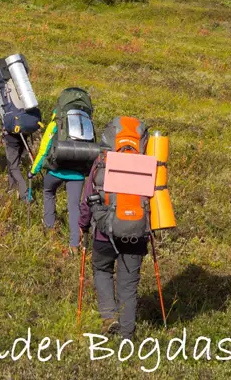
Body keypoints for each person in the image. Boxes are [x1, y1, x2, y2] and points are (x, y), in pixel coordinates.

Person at [79, 127, 149, 339]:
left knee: (102, 270)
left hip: (104, 233)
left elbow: (87, 198)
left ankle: (109, 317)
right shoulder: (147, 165)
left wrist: (83, 226)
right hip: (136, 234)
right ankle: (127, 336)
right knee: (128, 285)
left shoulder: (101, 161)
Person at [31, 88, 97, 254]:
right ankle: (74, 245)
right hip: (77, 173)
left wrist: (33, 170)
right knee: (74, 206)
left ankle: (50, 227)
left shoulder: (56, 122)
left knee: (48, 190)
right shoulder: (87, 123)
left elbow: (44, 150)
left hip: (56, 169)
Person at [0, 57, 41, 202]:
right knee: (15, 160)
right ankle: (12, 189)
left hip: (11, 131)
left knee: (13, 165)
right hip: (25, 126)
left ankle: (26, 195)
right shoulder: (19, 87)